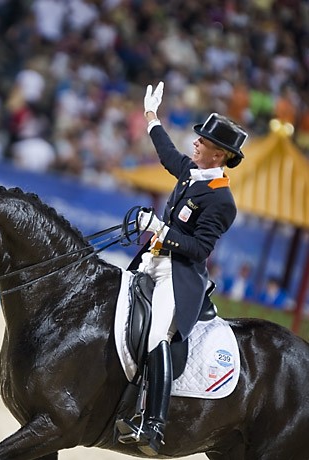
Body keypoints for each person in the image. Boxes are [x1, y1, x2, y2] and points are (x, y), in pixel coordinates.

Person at [117, 82, 248, 456]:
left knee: (159, 333)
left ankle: (153, 424)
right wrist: (150, 117)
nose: (196, 143)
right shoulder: (191, 172)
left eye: (203, 142)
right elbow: (166, 154)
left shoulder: (222, 201)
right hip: (151, 261)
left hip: (179, 275)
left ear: (219, 154)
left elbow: (200, 248)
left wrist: (160, 228)